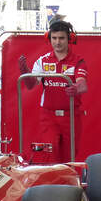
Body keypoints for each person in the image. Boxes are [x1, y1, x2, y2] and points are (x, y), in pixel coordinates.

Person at [18, 20, 87, 163]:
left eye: (61, 38)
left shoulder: (78, 61)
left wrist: (76, 88)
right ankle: (51, 183)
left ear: (70, 39)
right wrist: (25, 70)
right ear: (49, 39)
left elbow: (83, 84)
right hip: (48, 117)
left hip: (71, 117)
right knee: (50, 152)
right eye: (54, 38)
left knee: (69, 158)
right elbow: (31, 85)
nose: (57, 42)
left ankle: (67, 184)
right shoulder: (43, 61)